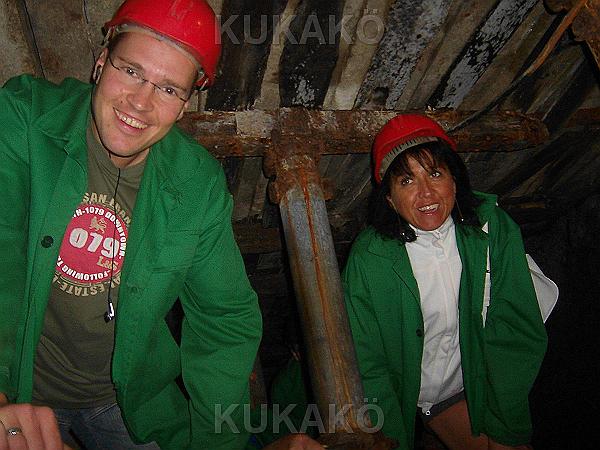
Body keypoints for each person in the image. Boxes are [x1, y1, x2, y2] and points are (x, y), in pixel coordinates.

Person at [0, 0, 263, 448]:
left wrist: (221, 441)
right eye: (131, 71)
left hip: (126, 399)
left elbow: (224, 317)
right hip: (19, 380)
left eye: (168, 89)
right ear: (101, 62)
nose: (140, 102)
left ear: (185, 104)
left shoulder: (196, 185)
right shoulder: (25, 117)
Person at [342, 114, 548, 450]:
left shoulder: (491, 228)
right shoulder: (369, 259)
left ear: (455, 179)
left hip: (477, 378)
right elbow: (366, 361)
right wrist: (390, 438)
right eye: (406, 181)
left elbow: (515, 328)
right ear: (390, 198)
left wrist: (505, 426)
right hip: (417, 393)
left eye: (435, 173)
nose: (425, 193)